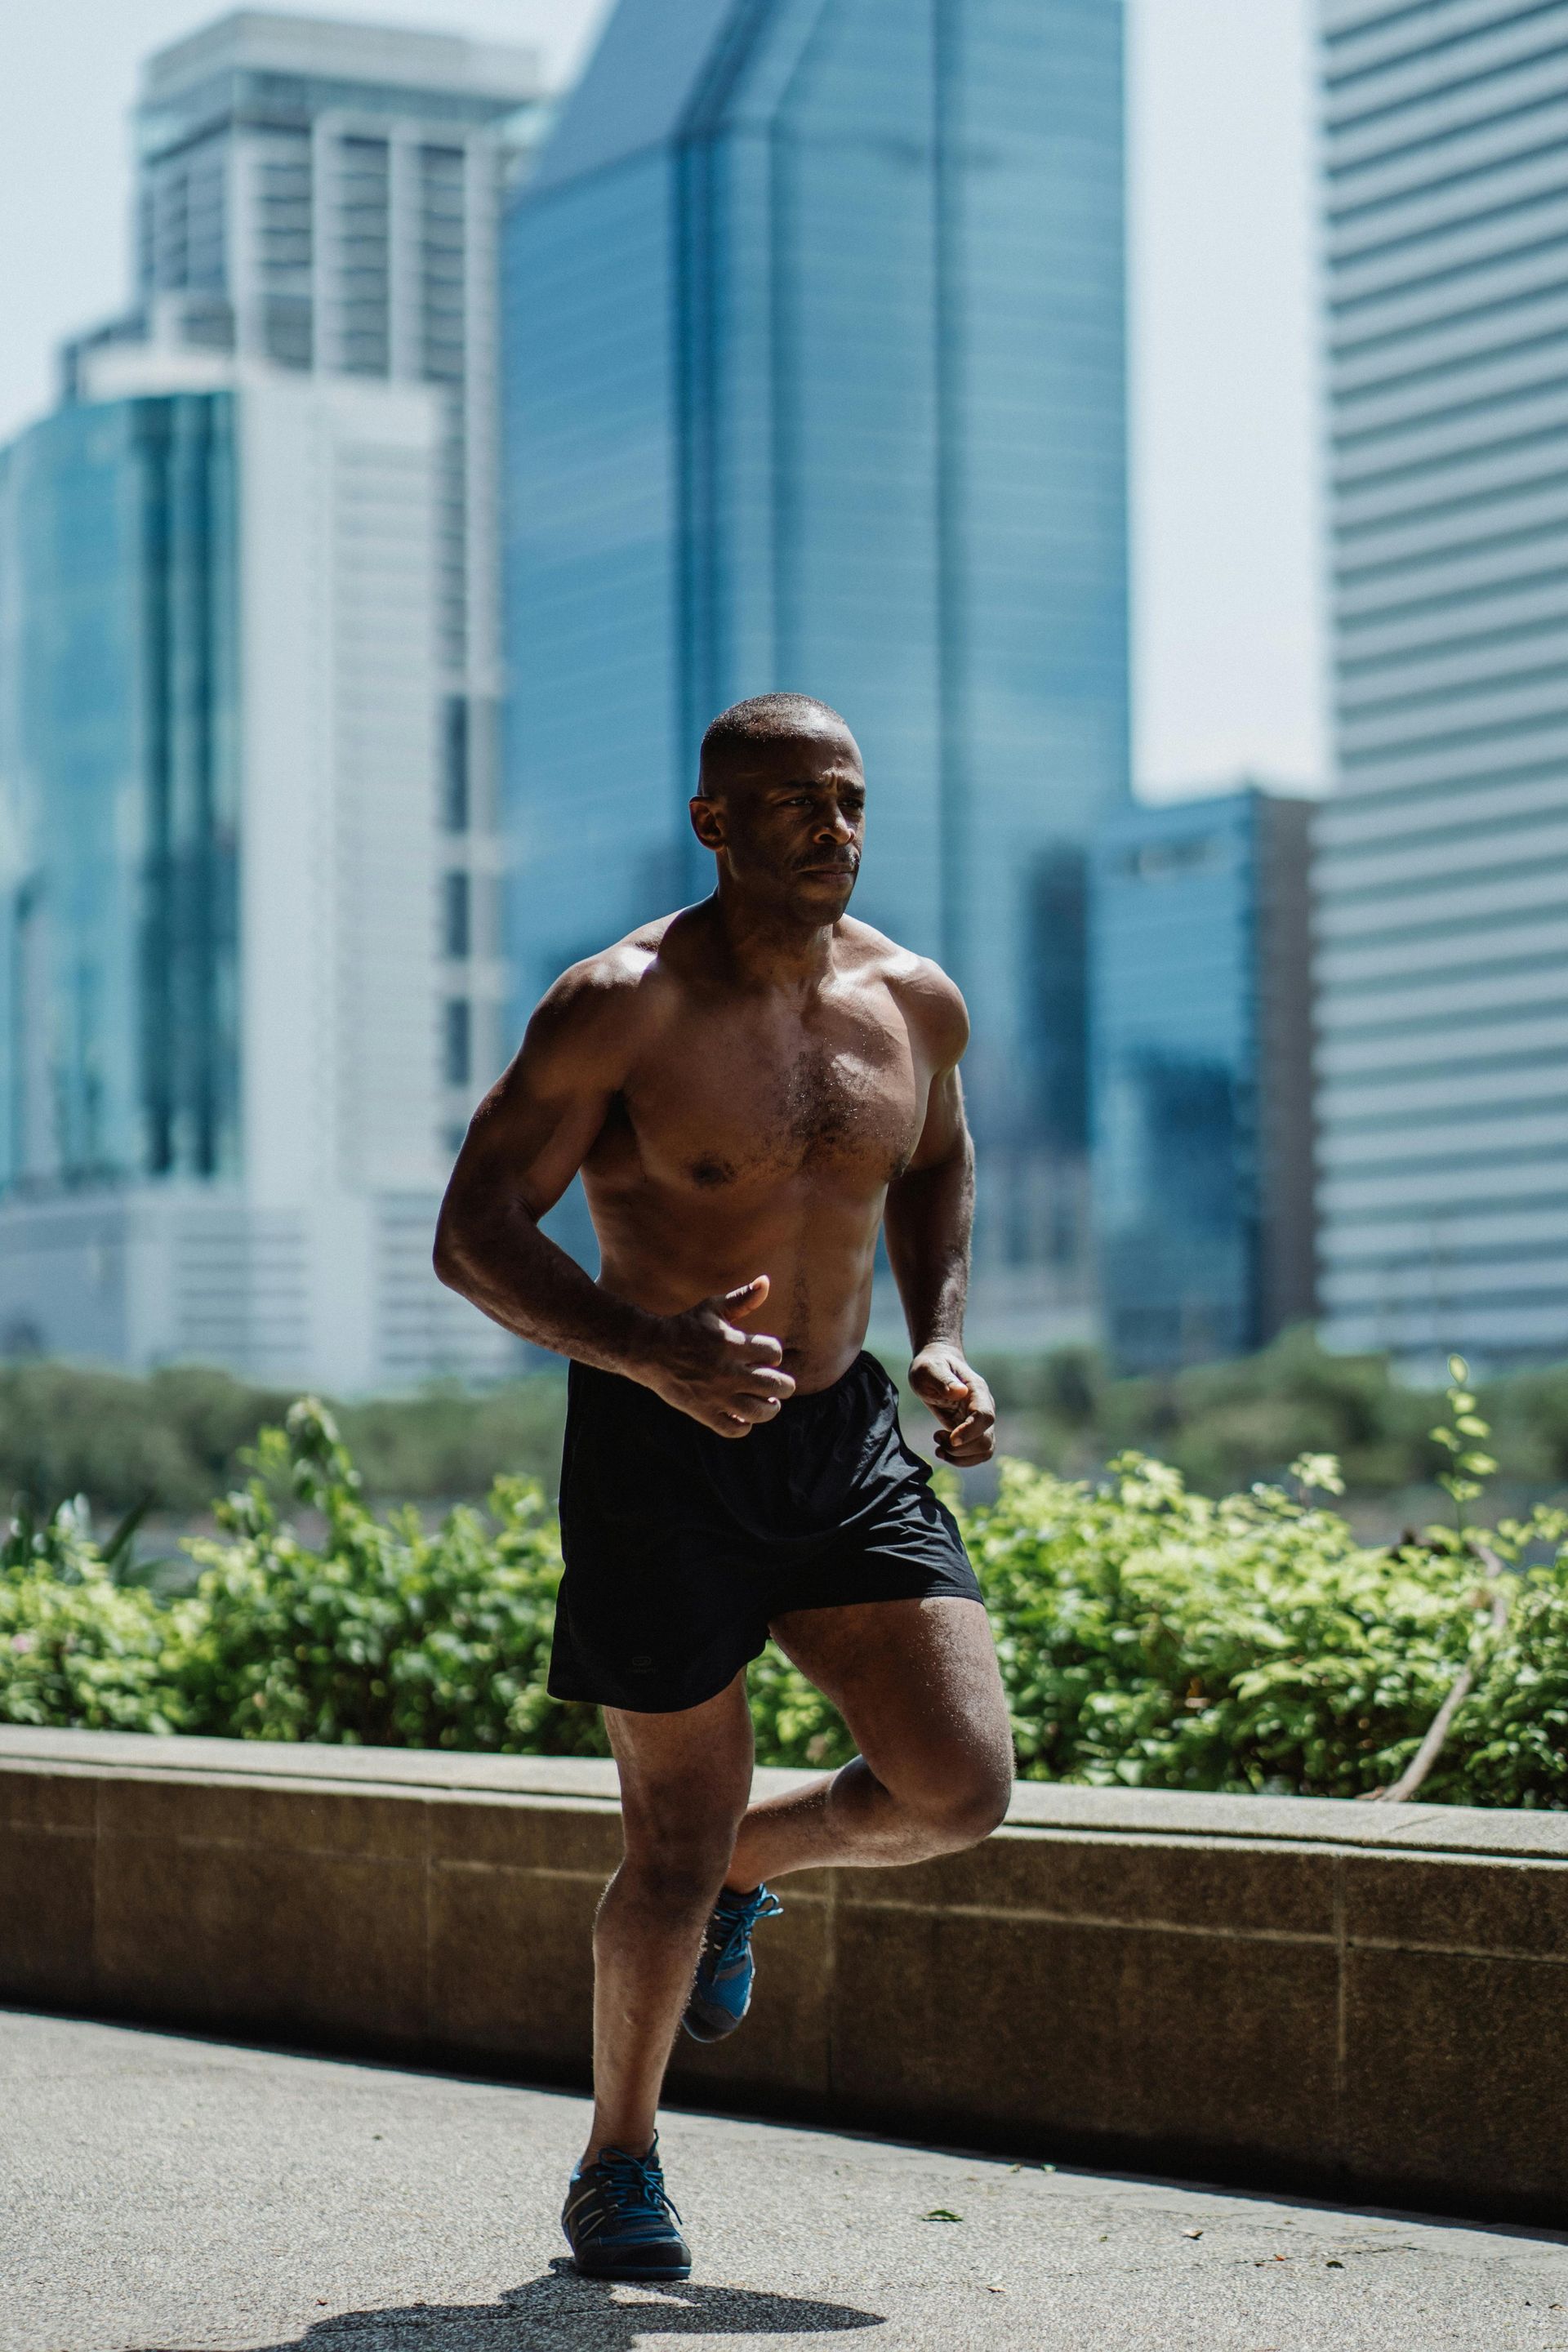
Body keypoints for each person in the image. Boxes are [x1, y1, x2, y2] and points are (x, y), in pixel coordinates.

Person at [434, 693, 1013, 2281]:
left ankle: (759, 1869)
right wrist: (649, 1351)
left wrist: (943, 1339)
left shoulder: (914, 1000)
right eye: (793, 803)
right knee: (666, 1850)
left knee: (958, 1786)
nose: (832, 827)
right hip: (657, 1458)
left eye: (851, 801)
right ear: (714, 823)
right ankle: (618, 2163)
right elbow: (474, 1232)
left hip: (842, 1443)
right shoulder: (616, 1005)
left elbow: (940, 1160)